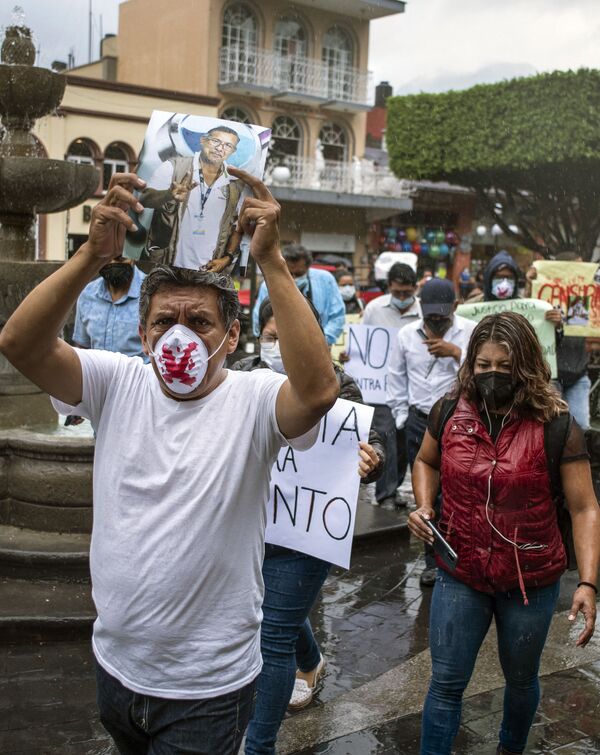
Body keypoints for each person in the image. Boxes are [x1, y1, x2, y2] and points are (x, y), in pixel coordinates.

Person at [0, 169, 339, 754]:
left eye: (200, 322)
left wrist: (272, 264)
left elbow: (316, 392)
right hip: (116, 669)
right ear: (143, 331)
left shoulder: (254, 399)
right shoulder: (116, 381)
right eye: (164, 321)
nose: (178, 336)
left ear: (231, 337)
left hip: (207, 690)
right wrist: (89, 257)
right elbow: (20, 344)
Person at [409, 311, 599, 755]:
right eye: (482, 365)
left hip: (530, 580)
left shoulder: (558, 426)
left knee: (520, 681)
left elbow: (585, 507)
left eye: (503, 367)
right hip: (461, 572)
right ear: (470, 363)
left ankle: (510, 748)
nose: (491, 375)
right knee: (445, 684)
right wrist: (423, 505)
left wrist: (588, 582)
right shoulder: (448, 410)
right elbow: (425, 461)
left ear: (526, 366)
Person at [232, 297, 384, 754]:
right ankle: (312, 660)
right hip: (249, 528)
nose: (282, 345)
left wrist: (370, 462)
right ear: (259, 335)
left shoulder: (341, 385)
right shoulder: (239, 375)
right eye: (274, 336)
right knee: (272, 610)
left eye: (293, 336)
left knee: (272, 635)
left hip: (306, 532)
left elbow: (371, 446)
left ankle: (259, 746)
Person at [386, 278, 477, 586]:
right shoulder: (405, 335)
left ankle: (462, 555)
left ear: (455, 306)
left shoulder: (471, 331)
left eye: (442, 315)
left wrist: (455, 353)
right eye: (430, 316)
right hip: (419, 421)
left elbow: (483, 370)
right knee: (427, 497)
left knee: (459, 492)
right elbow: (396, 377)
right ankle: (432, 561)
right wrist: (402, 417)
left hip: (459, 422)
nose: (436, 321)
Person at [140, 125, 245, 272]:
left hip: (207, 273)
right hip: (165, 266)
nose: (220, 148)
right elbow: (145, 199)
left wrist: (227, 258)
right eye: (216, 141)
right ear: (203, 140)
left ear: (232, 151)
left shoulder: (235, 184)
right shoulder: (173, 167)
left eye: (228, 145)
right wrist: (168, 195)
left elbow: (237, 227)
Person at [359, 262, 420, 508]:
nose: (402, 298)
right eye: (397, 293)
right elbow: (363, 344)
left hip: (411, 387)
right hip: (381, 387)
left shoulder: (423, 311)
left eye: (407, 293)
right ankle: (385, 494)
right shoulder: (374, 309)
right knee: (386, 435)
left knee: (404, 441)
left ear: (415, 288)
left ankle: (393, 487)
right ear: (389, 288)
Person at [526, 251, 591, 432]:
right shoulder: (544, 298)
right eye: (577, 268)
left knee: (581, 427)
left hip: (578, 373)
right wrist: (530, 283)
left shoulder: (585, 296)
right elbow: (527, 314)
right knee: (551, 427)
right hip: (551, 375)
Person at [252, 244, 345, 346]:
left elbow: (337, 317)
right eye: (289, 273)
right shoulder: (269, 285)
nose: (293, 278)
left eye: (299, 274)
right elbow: (258, 321)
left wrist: (321, 342)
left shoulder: (326, 280)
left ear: (308, 268)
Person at [73, 256, 146, 359]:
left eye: (119, 258)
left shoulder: (150, 293)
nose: (112, 262)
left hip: (138, 373)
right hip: (97, 373)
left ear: (132, 256)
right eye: (107, 259)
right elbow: (82, 347)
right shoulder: (87, 294)